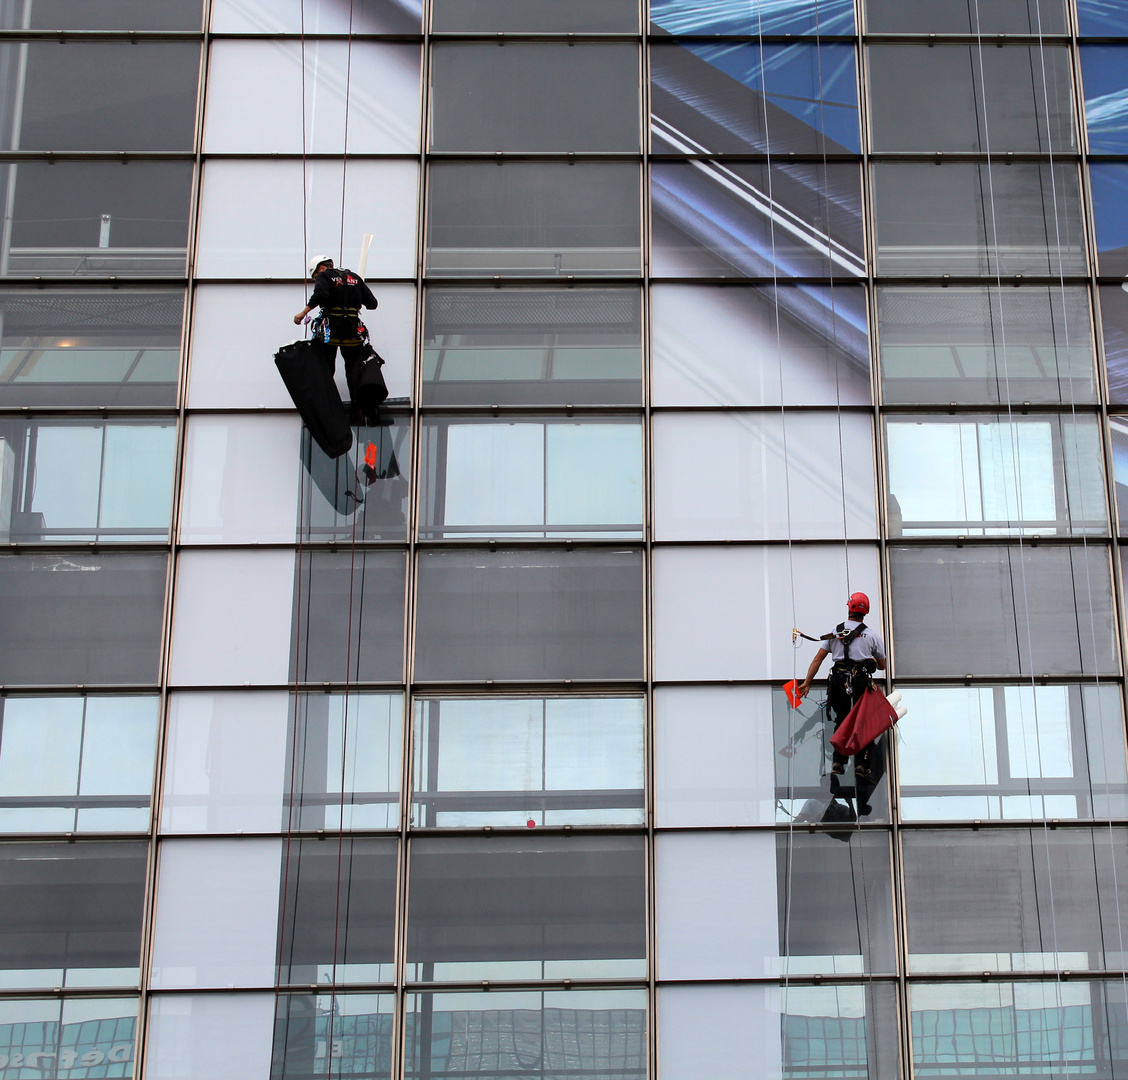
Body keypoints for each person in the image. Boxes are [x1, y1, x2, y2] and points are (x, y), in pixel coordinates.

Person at [796, 592, 886, 780]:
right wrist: (868, 659)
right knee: (862, 722)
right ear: (866, 612)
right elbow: (882, 666)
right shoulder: (871, 635)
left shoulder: (835, 632)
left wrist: (806, 683)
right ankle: (861, 764)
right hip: (860, 682)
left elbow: (817, 659)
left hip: (837, 681)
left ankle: (839, 761)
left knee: (842, 720)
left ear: (849, 607)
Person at [293, 255, 378, 418]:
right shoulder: (355, 277)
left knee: (326, 369)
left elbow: (321, 295)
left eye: (316, 276)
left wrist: (303, 313)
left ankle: (327, 406)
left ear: (321, 268)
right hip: (352, 333)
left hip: (331, 331)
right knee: (353, 370)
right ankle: (357, 408)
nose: (318, 279)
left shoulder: (325, 276)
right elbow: (372, 304)